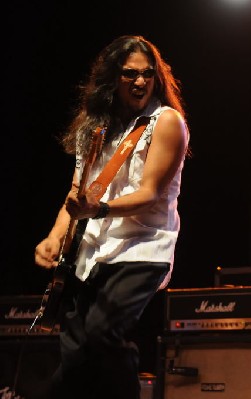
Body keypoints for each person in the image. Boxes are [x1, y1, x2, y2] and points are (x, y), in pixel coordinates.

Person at [34, 35, 190, 399]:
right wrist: (55, 236)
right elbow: (76, 194)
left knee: (103, 333)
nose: (139, 82)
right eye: (129, 74)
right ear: (111, 78)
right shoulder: (94, 127)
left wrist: (99, 209)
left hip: (142, 248)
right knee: (75, 351)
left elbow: (149, 193)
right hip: (92, 251)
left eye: (147, 74)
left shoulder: (166, 122)